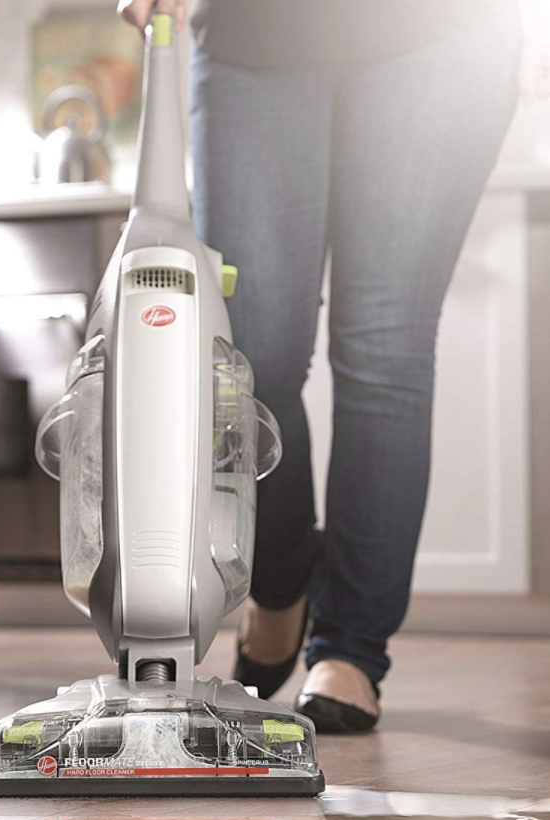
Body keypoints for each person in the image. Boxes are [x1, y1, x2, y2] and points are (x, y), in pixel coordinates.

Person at [118, 0, 546, 732]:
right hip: (256, 36)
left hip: (442, 36)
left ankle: (350, 647)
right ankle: (281, 579)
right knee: (248, 361)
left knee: (385, 349)